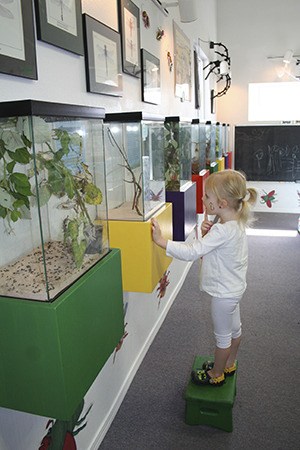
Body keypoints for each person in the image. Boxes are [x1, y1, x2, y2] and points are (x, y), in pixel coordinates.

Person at [151, 169, 257, 386]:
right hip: (235, 289)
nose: (203, 198)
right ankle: (230, 363)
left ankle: (216, 374)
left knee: (222, 338)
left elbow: (192, 252)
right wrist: (208, 232)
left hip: (223, 294)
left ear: (223, 203)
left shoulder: (221, 231)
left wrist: (162, 241)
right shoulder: (234, 224)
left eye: (207, 196)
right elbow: (218, 250)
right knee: (235, 329)